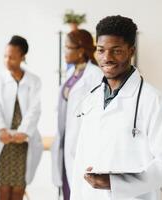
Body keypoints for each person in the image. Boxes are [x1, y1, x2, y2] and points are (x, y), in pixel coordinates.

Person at [70, 15, 162, 200]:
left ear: (131, 51)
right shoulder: (91, 100)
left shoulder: (154, 101)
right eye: (101, 50)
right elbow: (80, 162)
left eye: (116, 51)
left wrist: (115, 182)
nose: (107, 58)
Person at [0, 35, 43, 200]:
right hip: (4, 140)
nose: (7, 60)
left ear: (22, 57)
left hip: (23, 141)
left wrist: (23, 132)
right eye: (5, 56)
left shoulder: (34, 81)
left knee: (18, 190)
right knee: (3, 190)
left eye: (12, 57)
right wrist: (1, 130)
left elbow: (34, 109)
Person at [51, 29, 103, 200]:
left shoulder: (95, 76)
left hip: (82, 145)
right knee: (68, 190)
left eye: (68, 48)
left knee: (81, 192)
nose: (65, 52)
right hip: (66, 142)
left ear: (81, 51)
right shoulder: (72, 73)